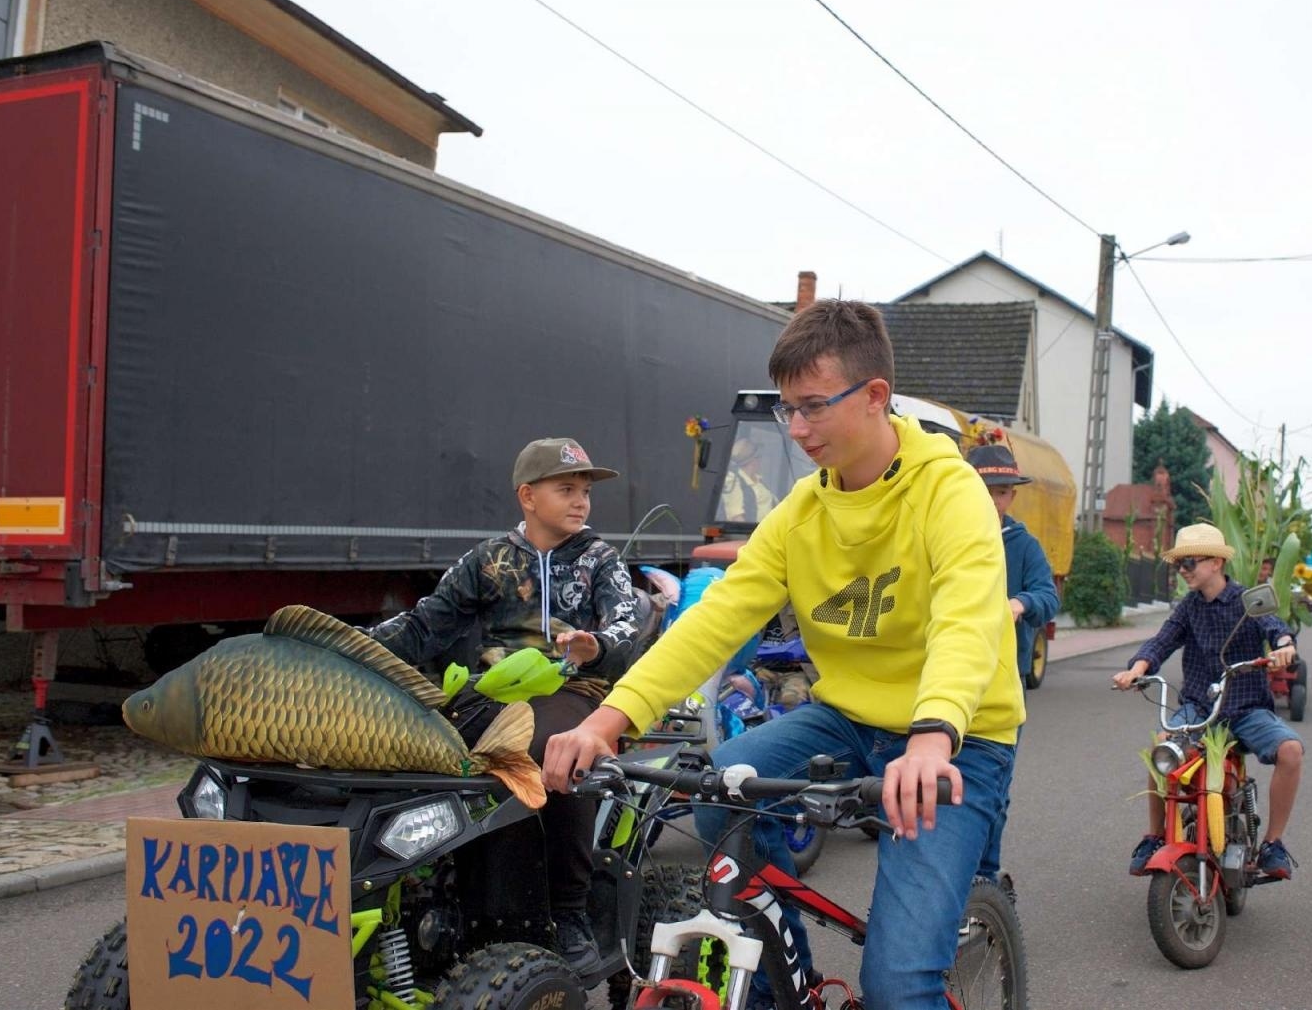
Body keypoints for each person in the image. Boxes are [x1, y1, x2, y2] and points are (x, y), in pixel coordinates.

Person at [543, 300, 1022, 1010]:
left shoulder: (948, 491)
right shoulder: (800, 512)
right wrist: (608, 719)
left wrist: (932, 734)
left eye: (812, 407)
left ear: (875, 397)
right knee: (721, 799)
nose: (796, 429)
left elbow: (966, 617)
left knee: (896, 985)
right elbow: (713, 622)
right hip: (847, 719)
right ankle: (780, 974)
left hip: (957, 736)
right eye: (786, 411)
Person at [365, 437, 640, 973]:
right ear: (528, 496)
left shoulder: (600, 560)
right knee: (414, 752)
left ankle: (568, 911)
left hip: (571, 691)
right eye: (567, 489)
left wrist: (597, 647)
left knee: (554, 752)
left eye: (585, 490)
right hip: (489, 692)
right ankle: (430, 902)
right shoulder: (487, 560)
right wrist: (346, 643)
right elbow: (424, 625)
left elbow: (628, 628)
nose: (581, 500)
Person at [1112, 523, 1302, 879]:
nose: (1183, 572)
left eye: (1190, 564)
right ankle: (1154, 836)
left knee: (1290, 751)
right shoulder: (1189, 608)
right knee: (1162, 750)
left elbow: (1274, 627)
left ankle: (1274, 844)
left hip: (1245, 709)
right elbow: (1162, 641)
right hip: (1199, 710)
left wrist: (1284, 647)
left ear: (1216, 563)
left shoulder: (1248, 601)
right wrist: (1136, 669)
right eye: (1179, 566)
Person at [968, 442, 1058, 881]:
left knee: (993, 790)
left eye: (1002, 491)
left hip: (1003, 683)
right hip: (941, 679)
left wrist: (1021, 603)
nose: (993, 499)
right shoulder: (947, 536)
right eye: (985, 488)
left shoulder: (1023, 545)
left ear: (1012, 496)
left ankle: (986, 881)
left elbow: (1048, 595)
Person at [722, 436, 778, 523]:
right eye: (759, 457)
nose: (761, 460)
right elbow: (736, 517)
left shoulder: (758, 480)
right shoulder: (733, 481)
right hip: (754, 533)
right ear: (754, 460)